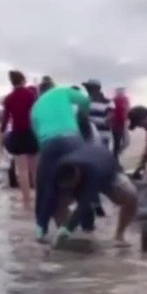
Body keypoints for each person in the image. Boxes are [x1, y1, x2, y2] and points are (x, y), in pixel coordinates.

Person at [31, 83, 90, 240]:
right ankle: (86, 225)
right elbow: (85, 101)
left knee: (46, 186)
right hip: (73, 140)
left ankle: (41, 229)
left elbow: (37, 137)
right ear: (52, 87)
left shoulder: (35, 108)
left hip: (49, 145)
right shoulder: (62, 91)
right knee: (83, 182)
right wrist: (82, 116)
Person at [49, 142, 137, 246]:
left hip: (108, 175)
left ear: (78, 174)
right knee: (56, 200)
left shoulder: (94, 172)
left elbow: (85, 203)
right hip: (83, 167)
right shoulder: (58, 166)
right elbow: (47, 195)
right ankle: (64, 234)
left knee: (131, 196)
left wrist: (69, 228)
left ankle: (119, 235)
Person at [0, 70, 41, 207]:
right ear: (23, 80)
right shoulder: (31, 95)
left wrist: (1, 136)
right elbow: (36, 113)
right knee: (35, 169)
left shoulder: (9, 98)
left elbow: (5, 120)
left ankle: (26, 199)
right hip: (31, 133)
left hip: (17, 134)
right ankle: (39, 197)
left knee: (22, 170)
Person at [83, 79, 114, 150]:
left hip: (100, 135)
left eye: (89, 88)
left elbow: (110, 119)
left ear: (96, 89)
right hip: (90, 135)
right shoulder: (85, 101)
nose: (87, 90)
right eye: (87, 88)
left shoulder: (108, 102)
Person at [110, 87, 130, 155]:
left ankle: (115, 154)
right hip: (118, 123)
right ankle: (115, 156)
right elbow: (126, 110)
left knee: (123, 142)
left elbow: (127, 110)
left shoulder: (123, 99)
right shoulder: (115, 100)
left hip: (121, 123)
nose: (123, 93)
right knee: (120, 143)